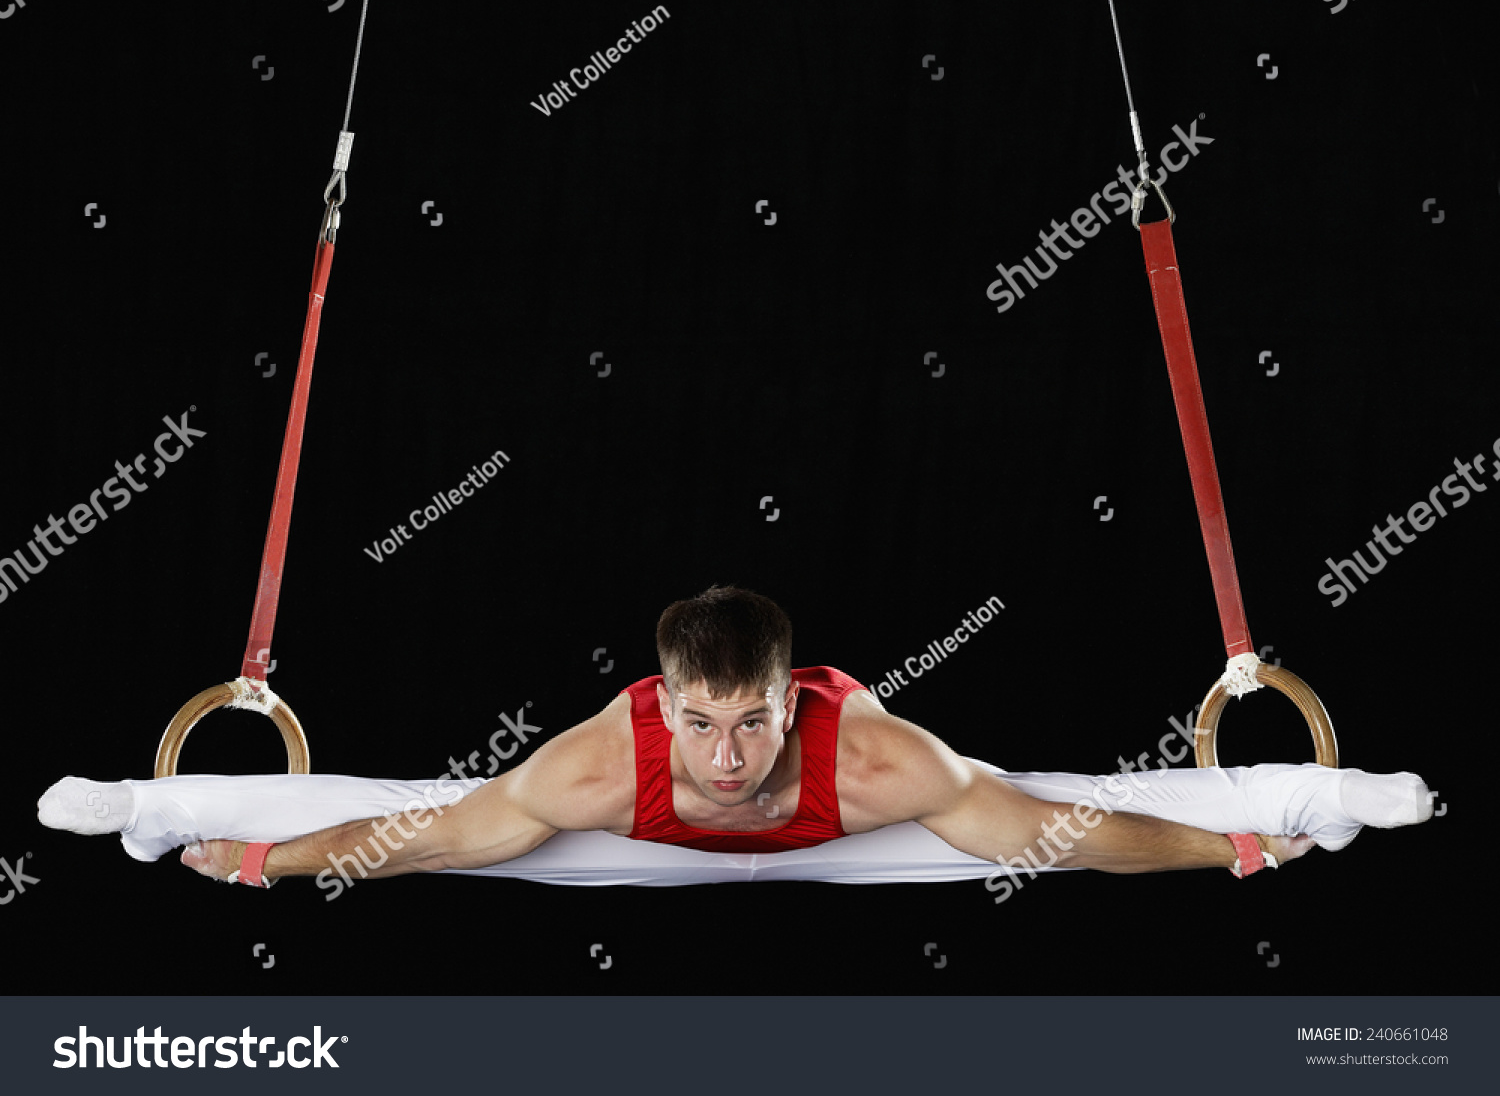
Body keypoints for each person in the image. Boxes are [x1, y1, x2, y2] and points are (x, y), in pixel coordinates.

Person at [39, 586, 1432, 890]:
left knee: (1044, 803)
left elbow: (1058, 832)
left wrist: (1231, 847)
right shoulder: (602, 761)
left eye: (748, 720)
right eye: (696, 721)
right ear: (659, 701)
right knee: (447, 817)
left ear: (791, 699)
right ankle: (148, 810)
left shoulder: (876, 756)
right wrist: (273, 866)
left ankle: (1324, 797)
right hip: (625, 846)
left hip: (854, 840)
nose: (722, 750)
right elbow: (417, 833)